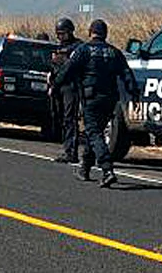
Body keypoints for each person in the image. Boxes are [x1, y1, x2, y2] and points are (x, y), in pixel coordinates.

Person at [52, 19, 137, 187]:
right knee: (96, 131)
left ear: (91, 32)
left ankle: (107, 170)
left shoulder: (84, 50)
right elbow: (127, 75)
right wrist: (134, 95)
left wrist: (55, 85)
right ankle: (85, 168)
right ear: (106, 34)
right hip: (110, 100)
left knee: (94, 133)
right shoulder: (115, 52)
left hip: (91, 98)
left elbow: (68, 70)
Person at [49, 17, 83, 164]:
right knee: (61, 118)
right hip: (58, 87)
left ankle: (71, 151)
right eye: (58, 34)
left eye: (63, 33)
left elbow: (72, 67)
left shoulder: (78, 47)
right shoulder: (58, 48)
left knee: (70, 119)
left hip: (71, 87)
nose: (60, 37)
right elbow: (54, 68)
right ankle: (66, 148)